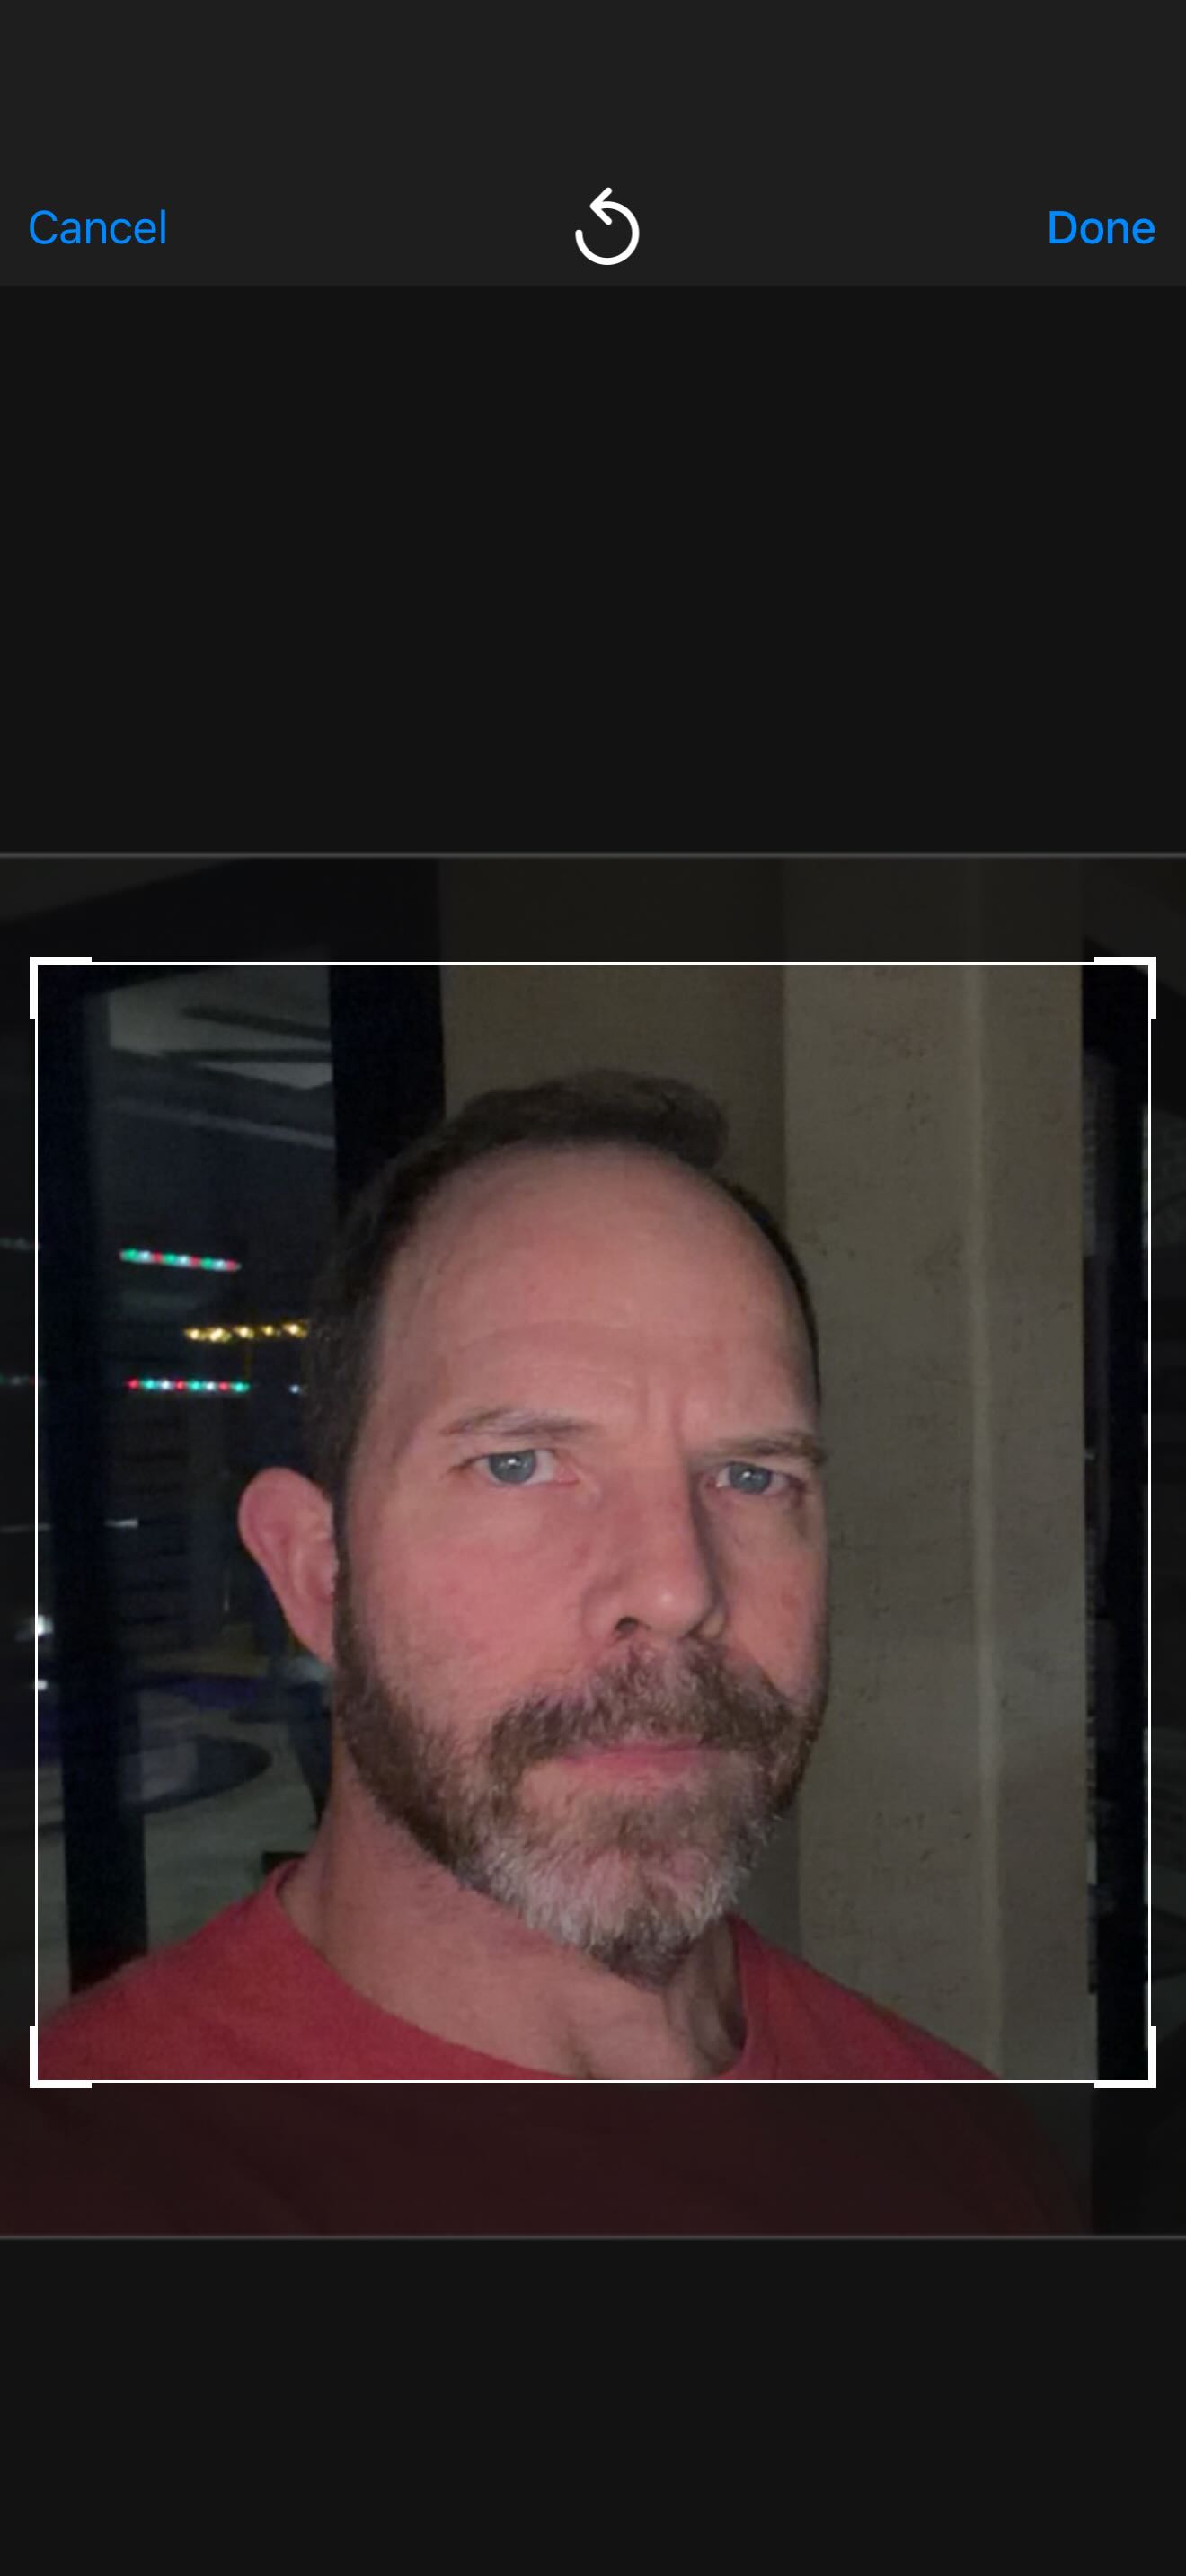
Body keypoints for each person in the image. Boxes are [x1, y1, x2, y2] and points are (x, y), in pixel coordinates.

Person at [32, 1073, 1060, 2099]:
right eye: (519, 1464)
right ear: (316, 1574)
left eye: (751, 1477)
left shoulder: (959, 2141)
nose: (677, 1590)